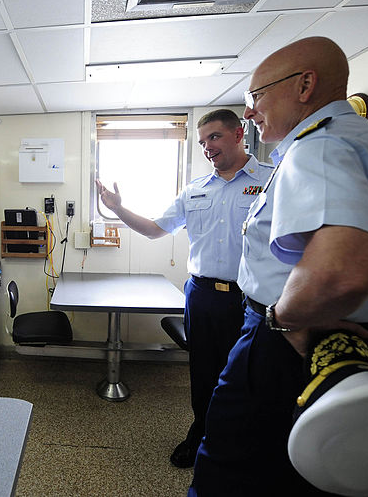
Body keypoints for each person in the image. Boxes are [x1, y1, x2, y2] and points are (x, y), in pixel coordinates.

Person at [188, 37, 368, 496]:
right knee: (315, 473)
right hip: (359, 339)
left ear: (305, 85)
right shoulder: (363, 140)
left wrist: (282, 318)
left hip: (294, 339)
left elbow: (345, 269)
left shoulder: (319, 147)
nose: (251, 112)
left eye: (257, 96)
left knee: (230, 468)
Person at [96, 109, 273, 468]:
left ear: (239, 135)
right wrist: (118, 209)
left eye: (215, 137)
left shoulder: (272, 181)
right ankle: (201, 435)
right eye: (203, 140)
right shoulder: (194, 191)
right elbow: (154, 229)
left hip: (251, 298)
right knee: (203, 372)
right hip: (202, 295)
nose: (208, 147)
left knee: (249, 374)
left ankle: (241, 443)